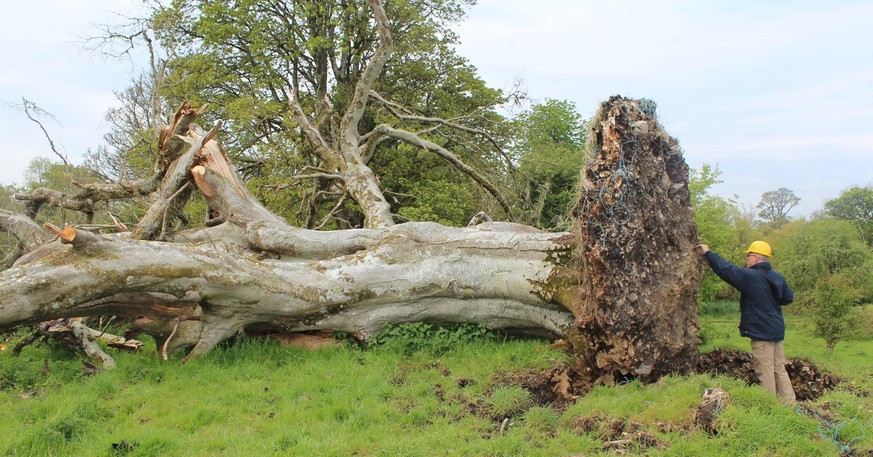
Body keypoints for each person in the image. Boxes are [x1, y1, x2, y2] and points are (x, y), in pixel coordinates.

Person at [696, 241, 797, 404]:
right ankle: (790, 403)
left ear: (756, 258)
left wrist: (708, 253)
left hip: (762, 332)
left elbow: (726, 270)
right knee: (779, 368)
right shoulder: (777, 277)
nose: (746, 260)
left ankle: (769, 407)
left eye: (748, 256)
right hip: (777, 330)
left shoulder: (750, 276)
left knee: (765, 370)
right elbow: (788, 298)